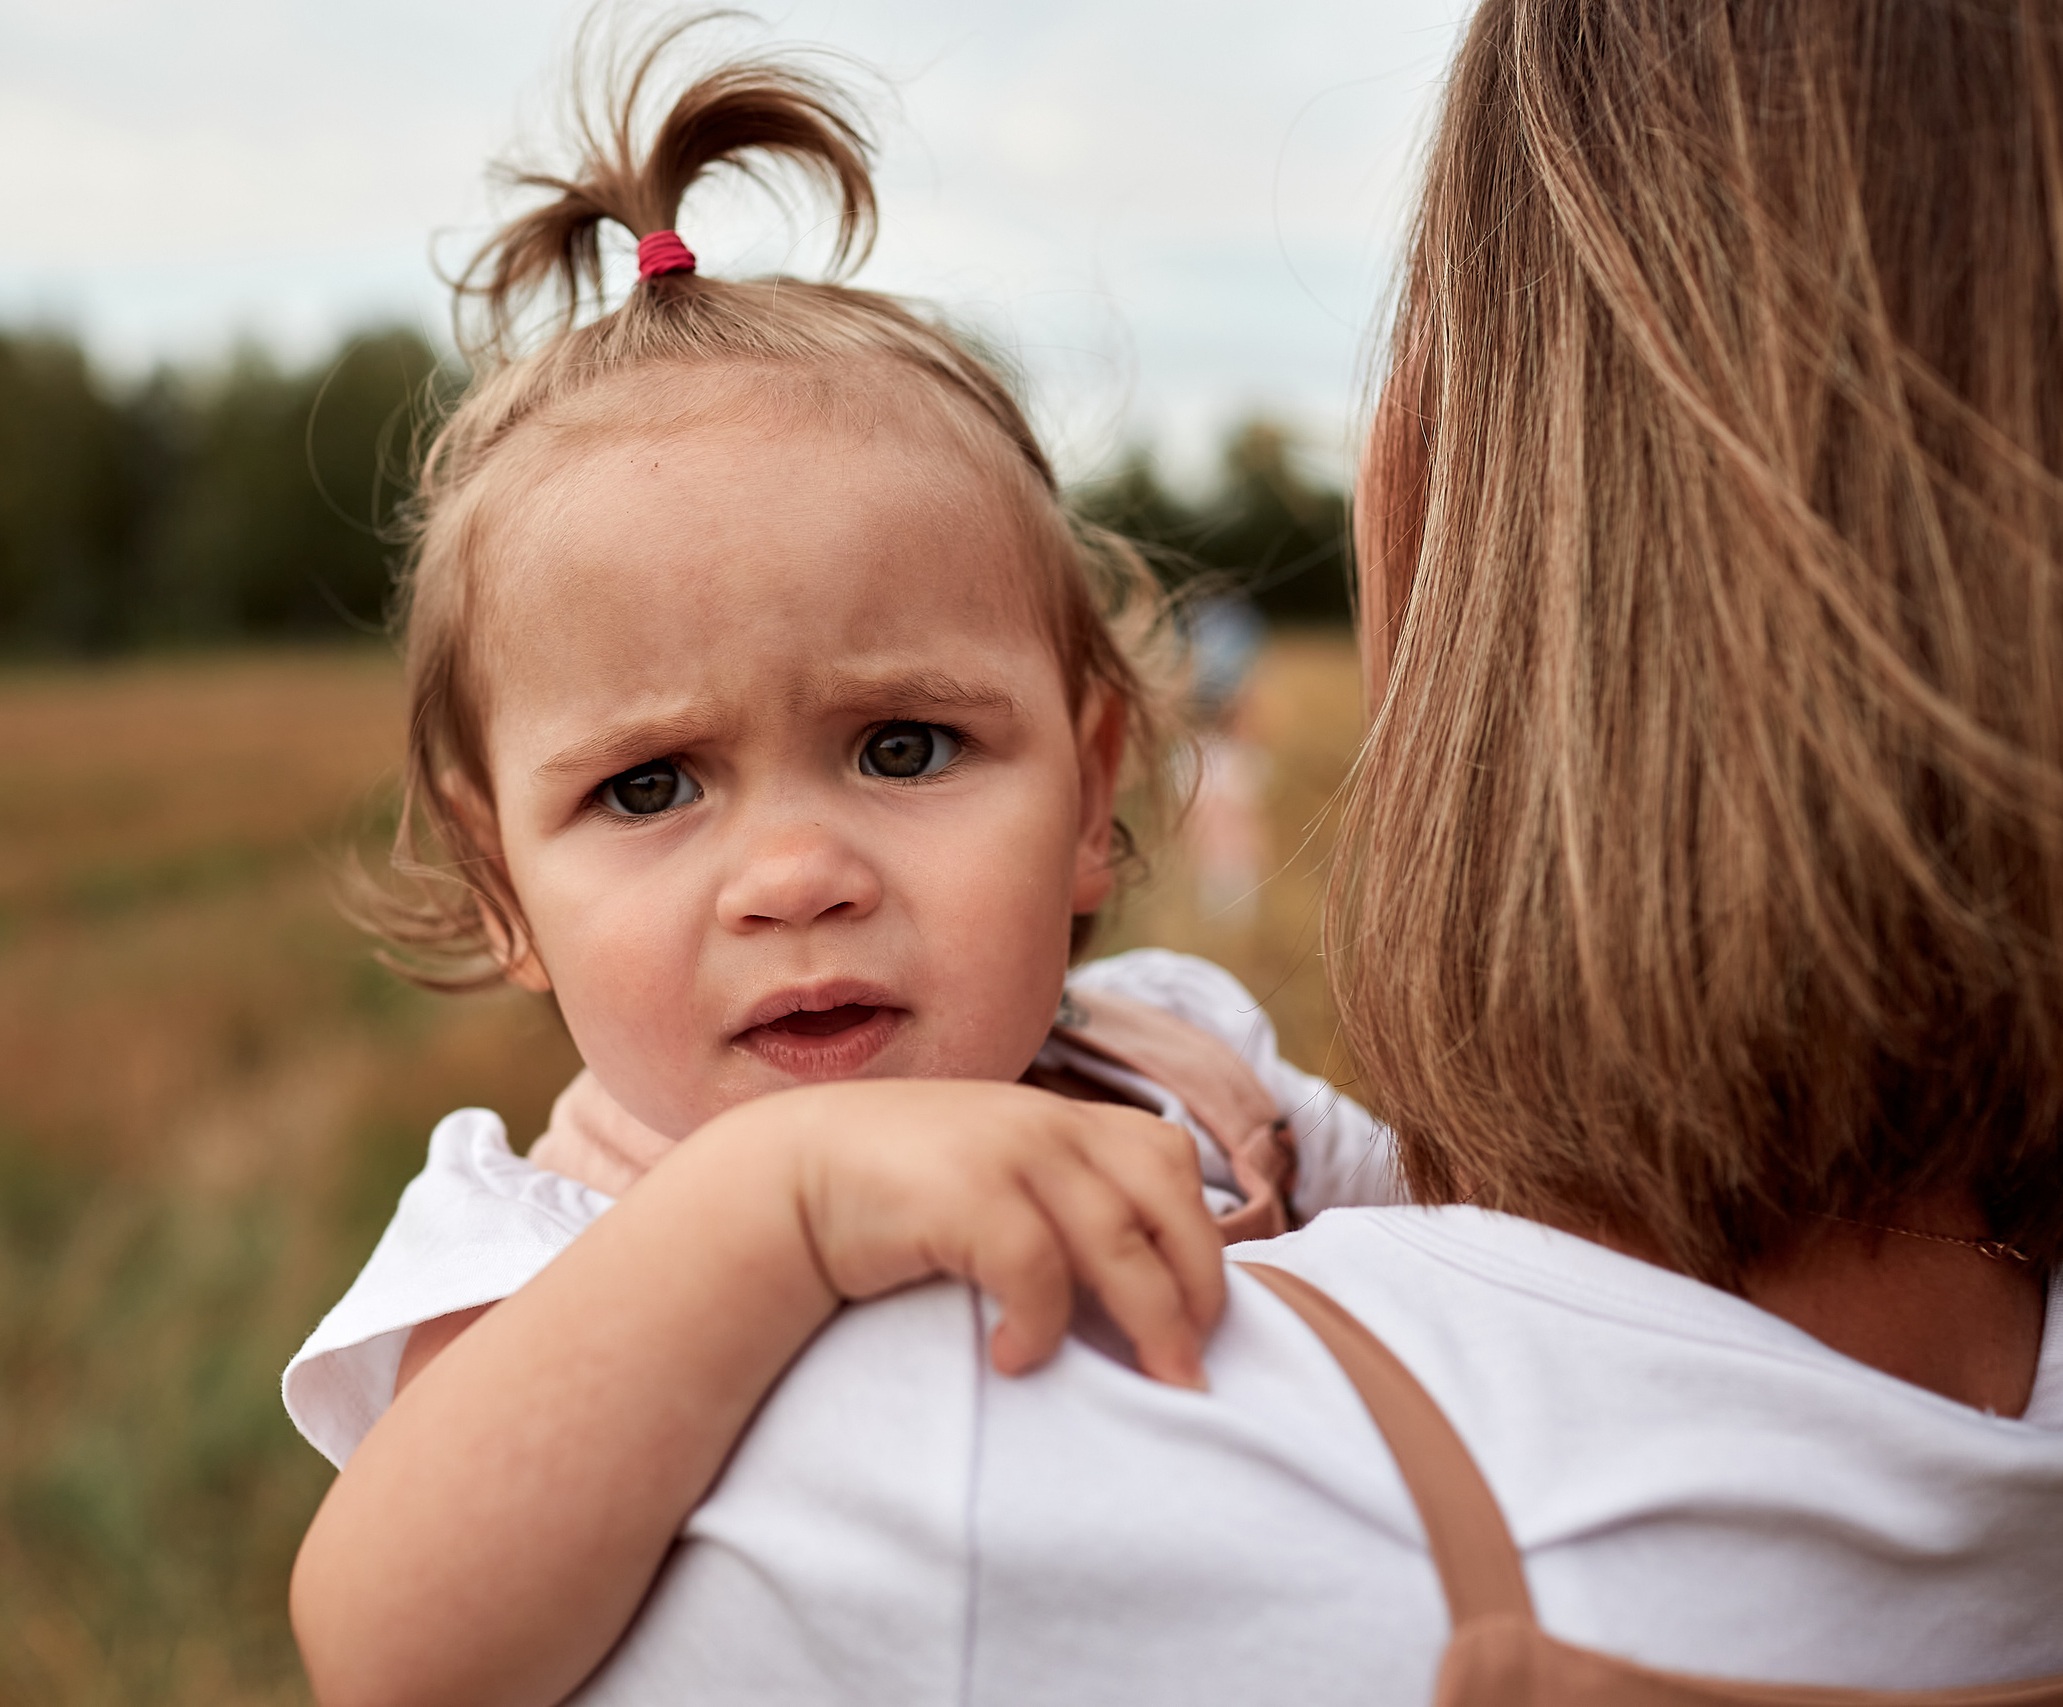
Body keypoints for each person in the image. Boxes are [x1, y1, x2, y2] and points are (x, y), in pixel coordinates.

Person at [279, 25, 1406, 1691]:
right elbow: (395, 1652)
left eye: (904, 748)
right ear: (505, 883)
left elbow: (1524, 1294)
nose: (796, 874)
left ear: (1094, 793)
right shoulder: (535, 1248)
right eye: (653, 787)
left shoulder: (1182, 1073)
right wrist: (775, 1214)